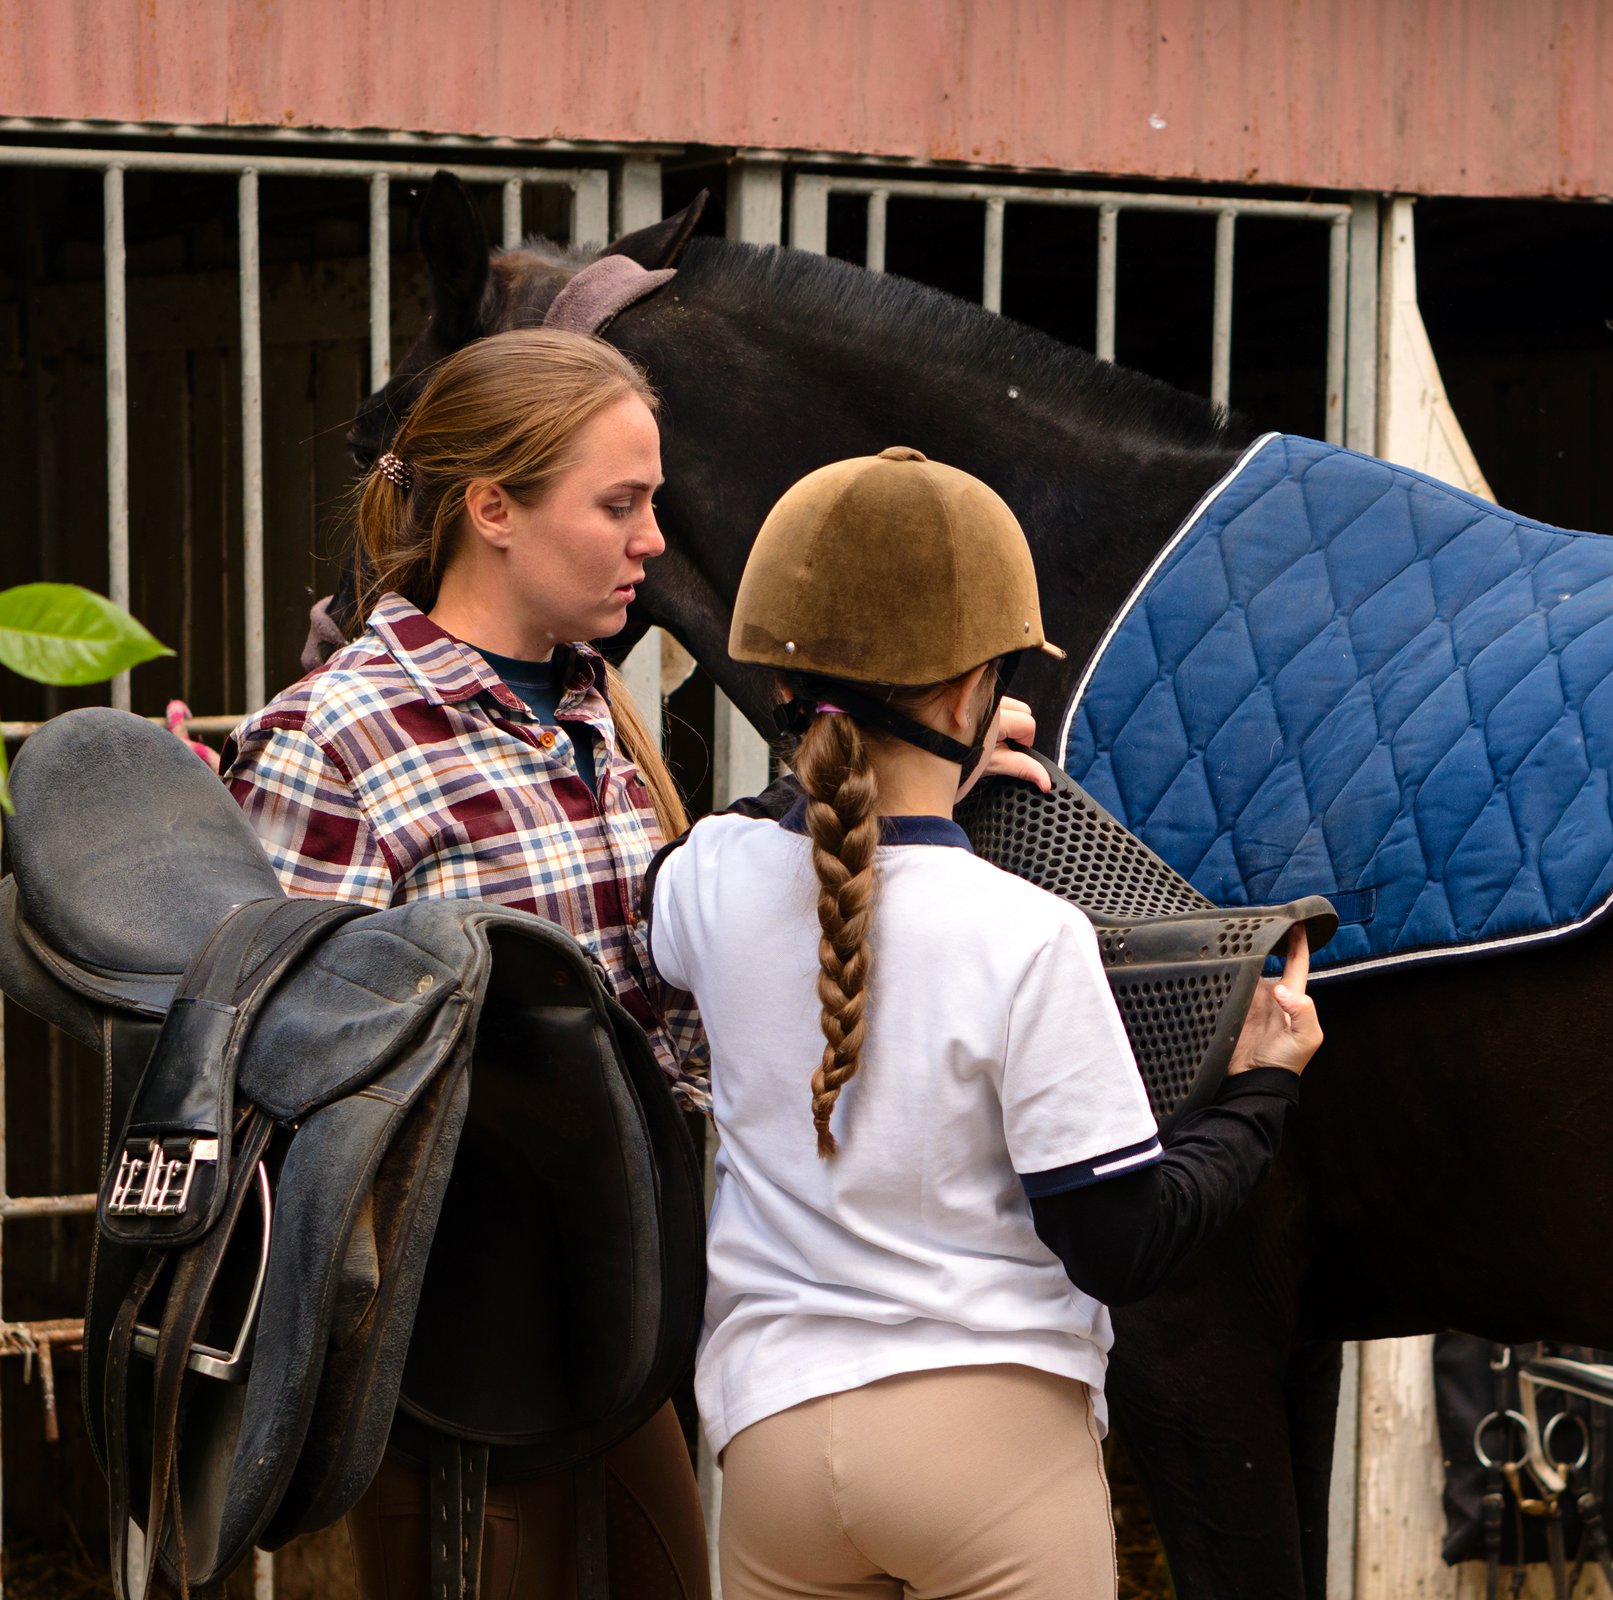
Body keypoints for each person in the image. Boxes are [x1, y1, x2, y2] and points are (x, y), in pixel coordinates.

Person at [645, 447, 1325, 1600]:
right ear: (974, 696)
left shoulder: (708, 876)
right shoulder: (1029, 936)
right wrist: (1263, 1084)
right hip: (988, 1443)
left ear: (776, 684)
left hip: (773, 1445)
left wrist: (883, 774)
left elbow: (771, 844)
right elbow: (1123, 1243)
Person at [220, 328, 709, 1599]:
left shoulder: (601, 710)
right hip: (438, 1362)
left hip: (619, 1313)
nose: (653, 539)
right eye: (620, 504)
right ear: (492, 507)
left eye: (650, 501)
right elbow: (279, 1084)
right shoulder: (332, 735)